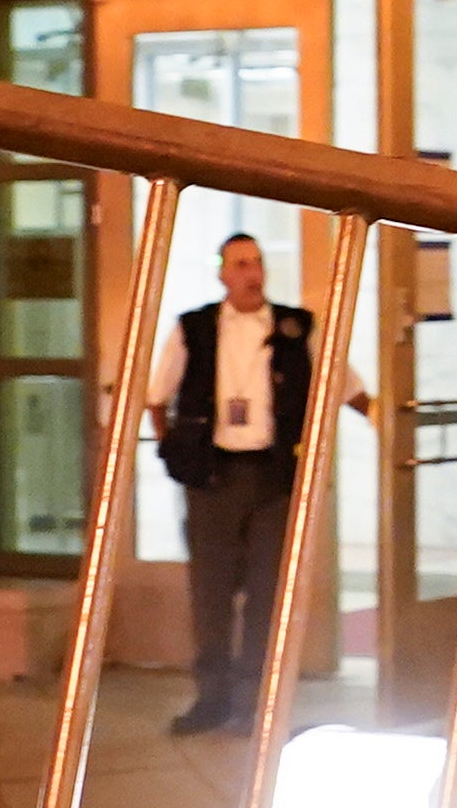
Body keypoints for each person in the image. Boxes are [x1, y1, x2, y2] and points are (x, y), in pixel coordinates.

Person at [144, 228, 363, 739]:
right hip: (213, 478)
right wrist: (177, 453)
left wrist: (383, 422)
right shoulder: (193, 328)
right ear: (222, 274)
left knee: (268, 595)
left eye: (257, 263)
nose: (252, 273)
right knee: (211, 594)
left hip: (272, 478)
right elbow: (158, 397)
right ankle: (212, 698)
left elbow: (346, 386)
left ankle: (256, 703)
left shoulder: (296, 327)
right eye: (240, 264)